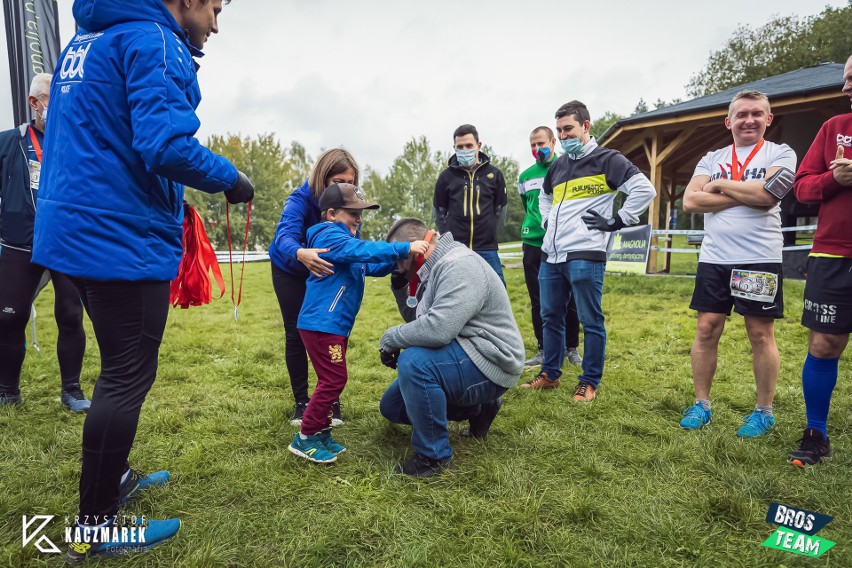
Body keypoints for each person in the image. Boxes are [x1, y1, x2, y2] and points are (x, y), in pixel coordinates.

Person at [32, 0, 253, 560]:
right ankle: (97, 525)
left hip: (73, 228)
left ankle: (115, 479)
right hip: (117, 234)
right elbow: (164, 144)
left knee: (116, 369)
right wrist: (231, 179)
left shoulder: (89, 40)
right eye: (215, 8)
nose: (216, 24)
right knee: (127, 376)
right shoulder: (152, 40)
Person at [680, 90, 796, 438]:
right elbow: (689, 200)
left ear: (768, 119)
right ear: (729, 121)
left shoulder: (781, 152)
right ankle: (701, 405)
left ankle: (764, 412)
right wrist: (746, 192)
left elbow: (768, 196)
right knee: (706, 329)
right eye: (742, 114)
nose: (749, 120)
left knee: (760, 333)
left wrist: (720, 187)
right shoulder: (711, 157)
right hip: (715, 257)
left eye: (757, 114)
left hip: (759, 257)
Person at [524, 101, 655, 401]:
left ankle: (589, 380)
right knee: (551, 317)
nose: (564, 134)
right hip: (551, 255)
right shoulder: (558, 164)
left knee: (590, 320)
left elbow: (644, 190)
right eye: (559, 130)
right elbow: (545, 197)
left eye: (568, 128)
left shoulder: (608, 159)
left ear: (586, 126)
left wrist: (618, 220)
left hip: (586, 253)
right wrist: (546, 220)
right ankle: (550, 374)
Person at [287, 184, 428, 464]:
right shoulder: (329, 236)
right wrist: (403, 246)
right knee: (333, 379)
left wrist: (399, 263)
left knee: (332, 380)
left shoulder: (344, 246)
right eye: (352, 212)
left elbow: (367, 265)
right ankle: (305, 437)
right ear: (330, 214)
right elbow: (359, 251)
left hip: (332, 326)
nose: (358, 218)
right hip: (321, 325)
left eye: (360, 213)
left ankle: (322, 433)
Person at [379, 218, 525, 478]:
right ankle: (479, 407)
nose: (397, 267)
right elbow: (420, 323)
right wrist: (401, 288)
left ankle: (433, 456)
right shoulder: (433, 268)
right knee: (392, 406)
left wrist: (392, 337)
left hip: (492, 359)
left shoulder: (459, 265)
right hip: (466, 348)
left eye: (400, 259)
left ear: (417, 251)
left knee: (413, 363)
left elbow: (437, 330)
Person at [0, 73, 90, 412]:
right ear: (34, 103)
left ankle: (72, 392)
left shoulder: (76, 143)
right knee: (9, 317)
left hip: (66, 242)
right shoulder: (9, 142)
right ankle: (7, 389)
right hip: (20, 244)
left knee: (70, 315)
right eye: (54, 99)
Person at [788, 55, 852, 465]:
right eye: (847, 79)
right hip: (833, 253)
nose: (846, 87)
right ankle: (816, 434)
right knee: (824, 343)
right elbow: (802, 189)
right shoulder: (833, 128)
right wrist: (834, 179)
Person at [269, 148, 358, 427]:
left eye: (350, 183)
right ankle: (302, 402)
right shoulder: (299, 199)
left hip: (324, 270)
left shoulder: (348, 202)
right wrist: (300, 253)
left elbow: (353, 239)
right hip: (291, 267)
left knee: (331, 329)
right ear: (323, 177)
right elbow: (284, 236)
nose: (344, 188)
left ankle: (329, 397)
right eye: (338, 182)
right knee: (296, 332)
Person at [517, 126, 582, 369]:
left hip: (564, 242)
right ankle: (543, 348)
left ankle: (571, 348)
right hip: (533, 242)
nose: (537, 149)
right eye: (533, 145)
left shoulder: (570, 167)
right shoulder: (525, 176)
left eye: (541, 143)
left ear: (553, 142)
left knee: (570, 298)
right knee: (538, 299)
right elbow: (528, 207)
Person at [433, 124, 507, 284]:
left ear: (478, 145)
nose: (464, 149)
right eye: (460, 147)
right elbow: (438, 212)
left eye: (469, 145)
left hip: (487, 248)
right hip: (457, 249)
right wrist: (449, 240)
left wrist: (491, 233)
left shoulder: (494, 174)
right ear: (454, 147)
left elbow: (501, 210)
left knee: (498, 291)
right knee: (458, 293)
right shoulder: (446, 177)